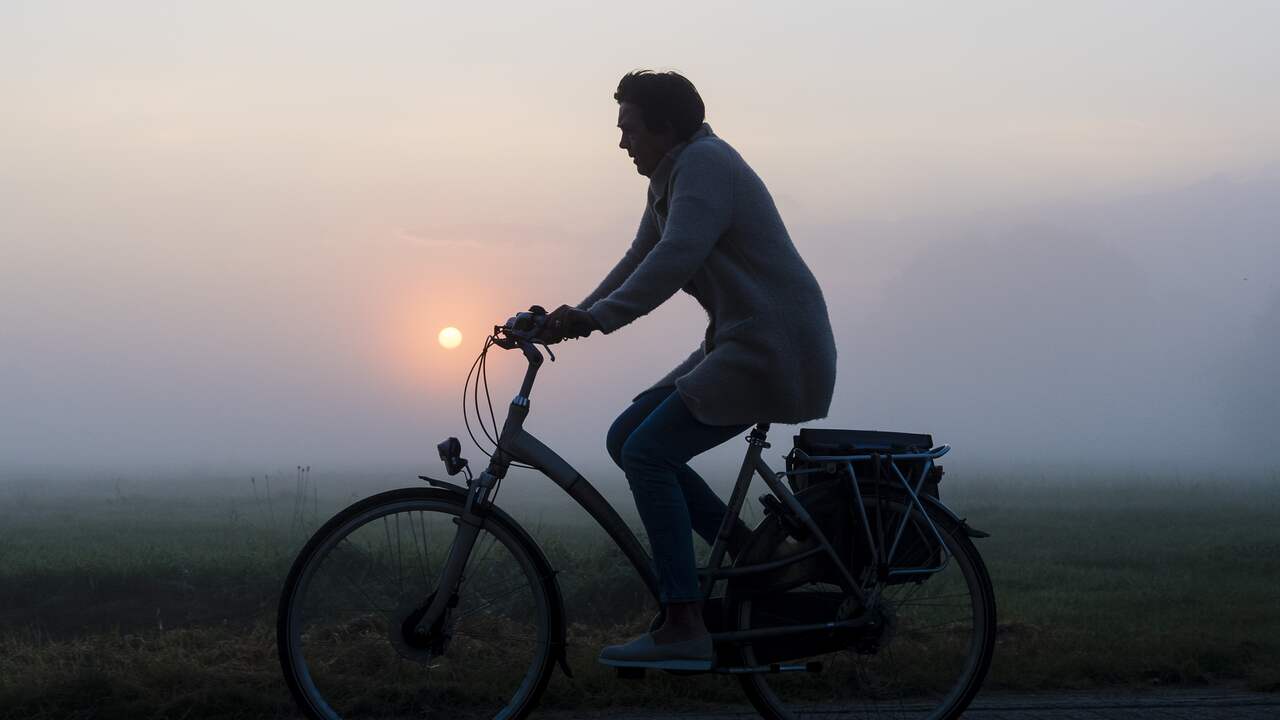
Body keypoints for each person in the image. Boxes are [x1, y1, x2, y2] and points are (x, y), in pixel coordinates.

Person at [539, 69, 838, 670]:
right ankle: (748, 553)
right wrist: (572, 316)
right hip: (744, 338)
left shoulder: (705, 165)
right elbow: (640, 256)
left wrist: (595, 321)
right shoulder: (674, 175)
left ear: (665, 127)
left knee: (650, 453)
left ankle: (684, 623)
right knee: (627, 438)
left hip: (774, 345)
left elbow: (676, 258)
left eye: (628, 128)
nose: (621, 142)